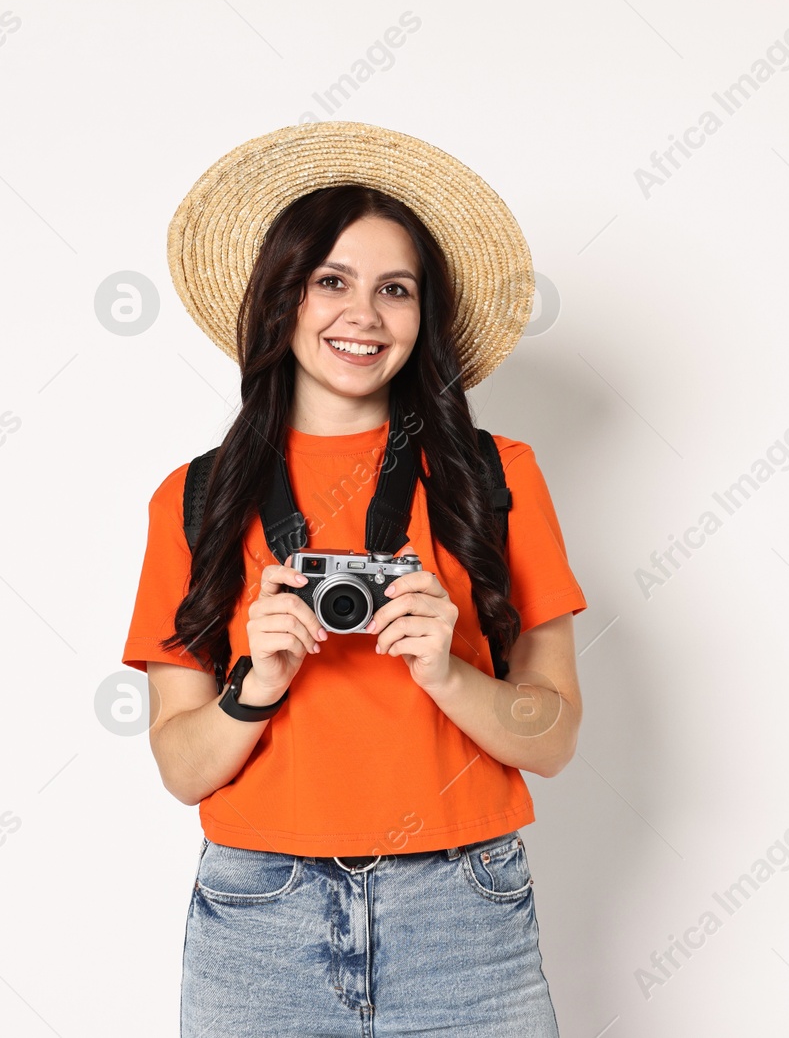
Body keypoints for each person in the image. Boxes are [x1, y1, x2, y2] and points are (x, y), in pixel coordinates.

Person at [121, 121, 588, 1037]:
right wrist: (255, 685)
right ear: (281, 299)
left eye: (395, 290)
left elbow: (555, 735)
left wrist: (449, 670)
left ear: (425, 315)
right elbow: (182, 768)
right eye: (330, 280)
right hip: (261, 912)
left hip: (464, 907)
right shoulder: (198, 497)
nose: (362, 315)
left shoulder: (497, 477)